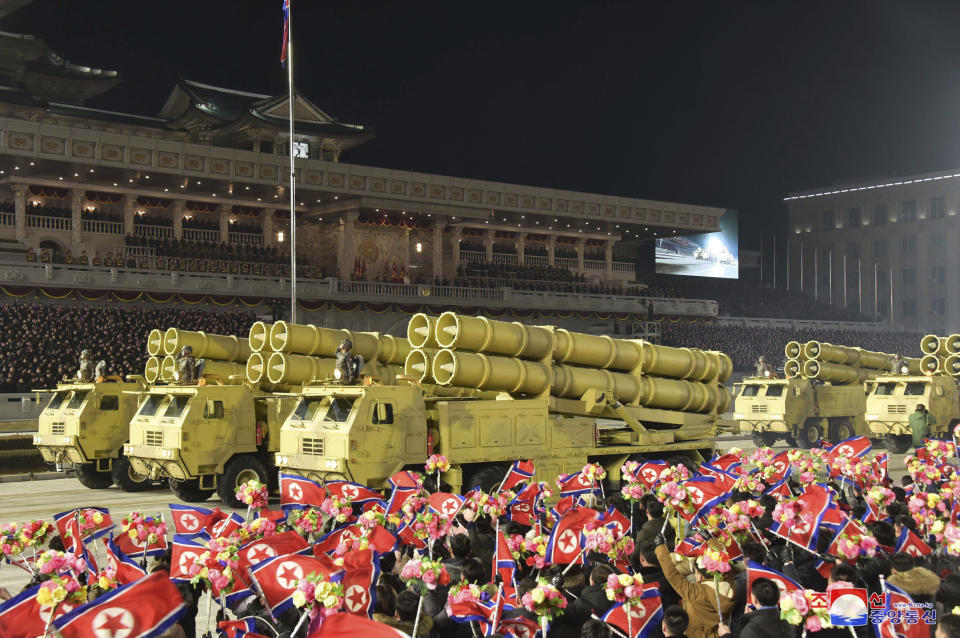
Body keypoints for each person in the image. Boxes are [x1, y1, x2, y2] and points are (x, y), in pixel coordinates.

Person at [654, 534, 735, 638]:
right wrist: (711, 540)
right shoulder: (728, 584)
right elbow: (724, 564)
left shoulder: (698, 593)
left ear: (700, 576)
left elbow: (673, 576)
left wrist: (660, 548)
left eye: (695, 572)